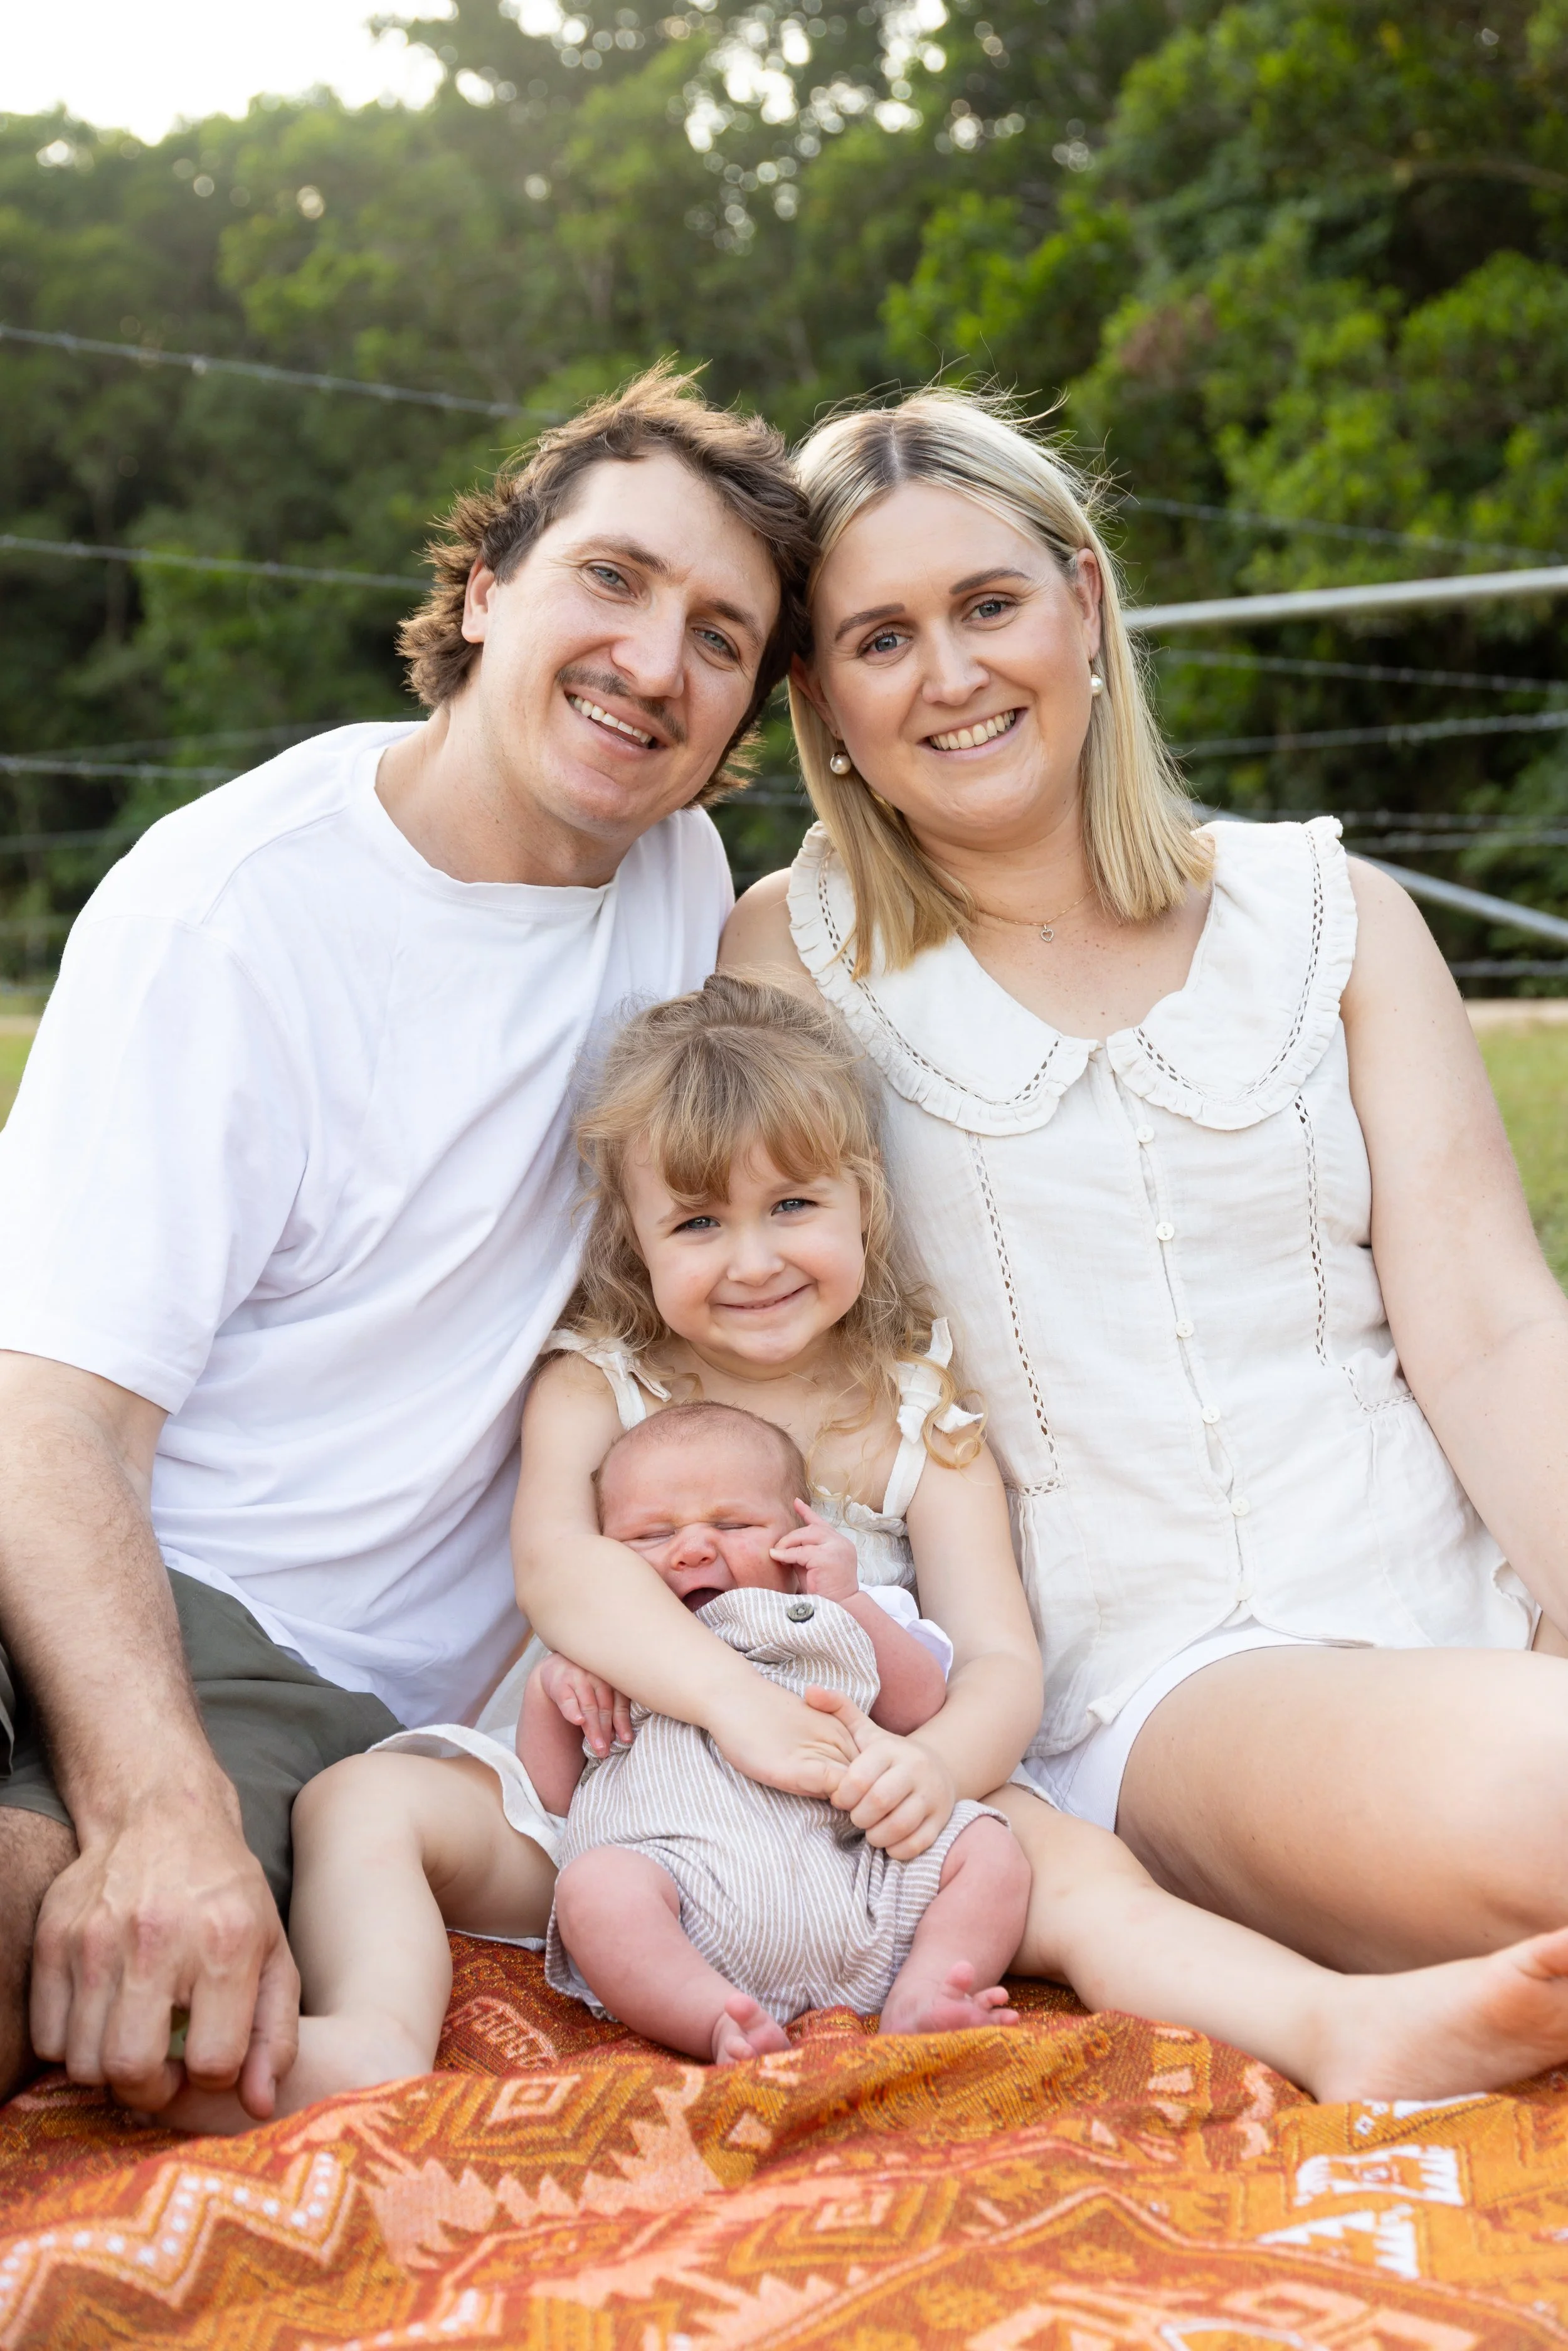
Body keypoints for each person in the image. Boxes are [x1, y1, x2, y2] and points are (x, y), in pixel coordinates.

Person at [0, 364, 834, 2121]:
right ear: (485, 587)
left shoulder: (685, 891)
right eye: (610, 577)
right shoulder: (234, 908)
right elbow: (50, 1410)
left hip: (276, 1650)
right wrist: (153, 1803)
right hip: (85, 1555)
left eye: (718, 634)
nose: (651, 659)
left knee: (52, 1949)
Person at [707, 386, 1568, 1986]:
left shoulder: (1333, 911)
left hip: (1474, 1592)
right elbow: (762, 1357)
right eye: (883, 639)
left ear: (1083, 601)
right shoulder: (791, 962)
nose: (954, 674)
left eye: (989, 603)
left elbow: (1495, 1329)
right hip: (1164, 1674)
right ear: (821, 695)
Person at [493, 975, 1568, 2103]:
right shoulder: (602, 1388)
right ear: (635, 1235)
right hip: (663, 1794)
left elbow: (1000, 1656)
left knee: (1075, 1874)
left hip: (872, 1791)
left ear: (863, 1198)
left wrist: (937, 1768)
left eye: (794, 1205)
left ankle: (1335, 2024)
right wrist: (732, 1705)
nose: (754, 1259)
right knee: (382, 1813)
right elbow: (559, 1566)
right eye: (700, 1222)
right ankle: (587, 2015)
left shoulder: (919, 1418)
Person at [531, 1404, 1026, 2060]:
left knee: (988, 1846)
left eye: (732, 1524)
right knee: (592, 1885)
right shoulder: (610, 1650)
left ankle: (927, 1992)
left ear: (795, 1537)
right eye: (649, 1537)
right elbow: (556, 1792)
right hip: (687, 1907)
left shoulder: (824, 1614)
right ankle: (713, 2019)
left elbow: (916, 1709)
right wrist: (549, 1692)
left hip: (862, 1887)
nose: (693, 1548)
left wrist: (848, 1602)